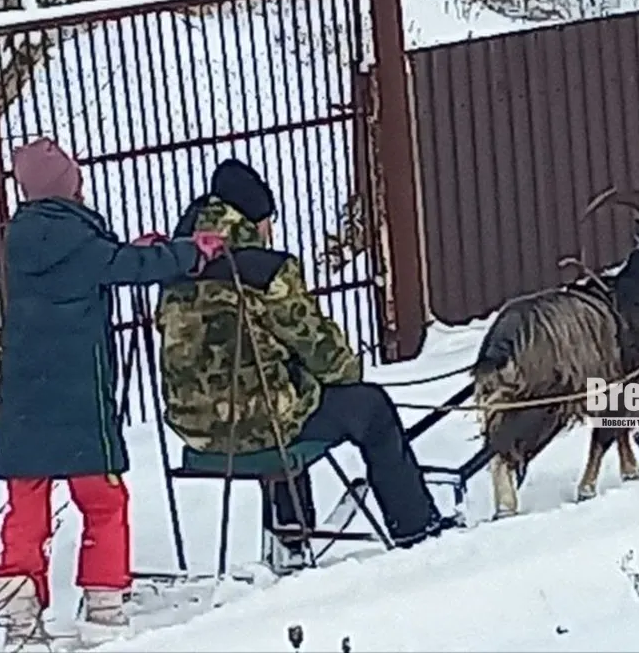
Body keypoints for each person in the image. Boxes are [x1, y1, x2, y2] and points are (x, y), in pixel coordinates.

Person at [0, 137, 225, 650]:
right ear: (69, 185)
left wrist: (127, 254)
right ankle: (103, 606)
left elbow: (107, 263)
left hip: (26, 396)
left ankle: (20, 616)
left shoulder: (23, 239)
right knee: (103, 499)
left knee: (26, 506)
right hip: (80, 395)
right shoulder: (77, 237)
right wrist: (189, 252)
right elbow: (127, 268)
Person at [156, 158, 456, 561]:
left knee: (275, 394)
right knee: (368, 407)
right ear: (257, 220)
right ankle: (416, 528)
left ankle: (290, 538)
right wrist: (344, 371)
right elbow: (324, 353)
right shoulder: (265, 271)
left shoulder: (175, 269)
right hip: (259, 430)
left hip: (197, 432)